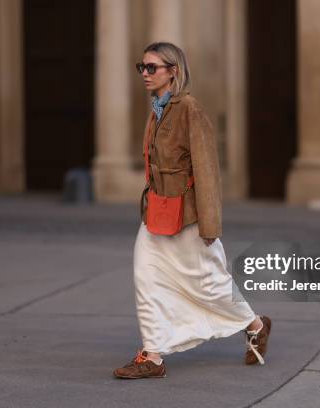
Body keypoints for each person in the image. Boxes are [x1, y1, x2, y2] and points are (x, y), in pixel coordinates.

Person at [113, 42, 271, 379]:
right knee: (147, 276)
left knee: (209, 282)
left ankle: (255, 324)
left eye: (152, 67)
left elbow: (207, 169)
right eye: (141, 66)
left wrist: (210, 224)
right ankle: (152, 357)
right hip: (156, 212)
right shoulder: (158, 109)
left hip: (186, 216)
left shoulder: (189, 110)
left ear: (173, 71)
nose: (144, 73)